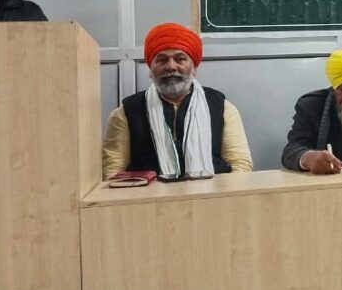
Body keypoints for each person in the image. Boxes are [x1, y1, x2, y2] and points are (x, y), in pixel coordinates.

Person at [102, 22, 253, 180]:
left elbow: (240, 165)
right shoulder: (126, 112)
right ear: (150, 69)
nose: (171, 66)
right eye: (161, 60)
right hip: (148, 195)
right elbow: (113, 172)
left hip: (213, 194)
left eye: (180, 59)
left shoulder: (222, 107)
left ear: (194, 68)